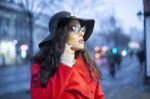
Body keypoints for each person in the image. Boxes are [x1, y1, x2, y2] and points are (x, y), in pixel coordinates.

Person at [31, 11, 104, 99]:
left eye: (82, 29)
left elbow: (99, 96)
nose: (82, 33)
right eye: (75, 29)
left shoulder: (88, 64)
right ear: (61, 33)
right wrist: (65, 65)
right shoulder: (43, 65)